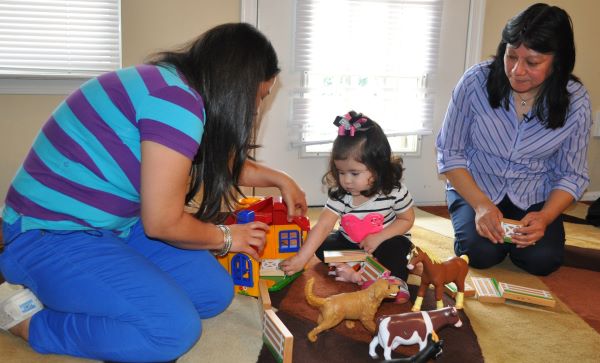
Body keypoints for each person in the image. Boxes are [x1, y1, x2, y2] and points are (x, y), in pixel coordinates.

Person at [0, 23, 307, 362]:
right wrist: (226, 236)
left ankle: (86, 288)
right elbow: (163, 223)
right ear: (237, 85)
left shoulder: (176, 88)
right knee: (171, 331)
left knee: (213, 294)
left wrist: (281, 179)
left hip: (115, 227)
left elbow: (219, 163)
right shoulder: (175, 102)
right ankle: (31, 323)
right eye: (259, 97)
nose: (256, 109)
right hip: (48, 235)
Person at [436, 3, 591, 276]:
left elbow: (572, 175)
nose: (517, 70)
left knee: (542, 260)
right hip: (476, 186)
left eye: (532, 62)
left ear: (557, 62)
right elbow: (450, 154)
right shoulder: (475, 82)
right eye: (510, 56)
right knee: (480, 253)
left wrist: (545, 217)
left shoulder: (576, 100)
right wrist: (482, 205)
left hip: (535, 193)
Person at [280, 111, 415, 299]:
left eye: (354, 173)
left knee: (398, 247)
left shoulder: (393, 190)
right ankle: (360, 268)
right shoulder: (341, 194)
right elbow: (324, 225)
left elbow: (407, 219)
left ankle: (396, 283)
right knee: (321, 244)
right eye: (341, 172)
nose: (346, 181)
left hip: (384, 242)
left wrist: (379, 237)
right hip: (350, 245)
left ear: (378, 167)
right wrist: (302, 258)